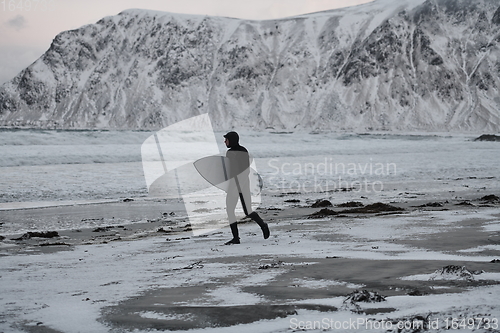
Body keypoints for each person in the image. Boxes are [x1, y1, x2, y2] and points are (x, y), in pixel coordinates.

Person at [223, 131, 269, 245]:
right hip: (239, 183)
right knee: (236, 210)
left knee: (240, 210)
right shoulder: (237, 151)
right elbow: (237, 170)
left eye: (226, 139)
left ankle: (262, 226)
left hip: (239, 184)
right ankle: (237, 238)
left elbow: (238, 171)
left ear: (231, 140)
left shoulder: (235, 152)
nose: (225, 142)